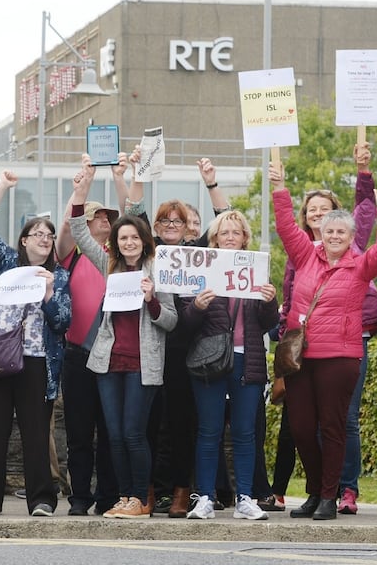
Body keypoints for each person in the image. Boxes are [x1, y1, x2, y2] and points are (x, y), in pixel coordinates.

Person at [269, 159, 377, 520]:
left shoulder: (360, 265)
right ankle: (314, 490)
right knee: (300, 428)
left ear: (349, 236)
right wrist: (279, 187)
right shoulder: (304, 255)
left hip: (340, 358)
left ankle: (329, 495)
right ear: (321, 234)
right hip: (300, 358)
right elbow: (284, 225)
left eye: (342, 232)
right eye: (330, 232)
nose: (336, 237)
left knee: (332, 426)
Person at [69, 156, 178, 519]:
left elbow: (172, 321)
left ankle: (138, 499)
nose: (128, 242)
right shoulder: (110, 265)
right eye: (122, 238)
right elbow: (79, 231)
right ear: (116, 242)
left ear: (143, 240)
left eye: (133, 237)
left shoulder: (157, 270)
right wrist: (84, 184)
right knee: (114, 436)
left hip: (142, 366)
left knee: (133, 433)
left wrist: (152, 302)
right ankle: (123, 497)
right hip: (108, 363)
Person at [0, 170, 70, 518]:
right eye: (36, 233)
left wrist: (51, 294)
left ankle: (41, 499)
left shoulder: (60, 276)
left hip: (36, 360)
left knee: (36, 432)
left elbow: (63, 321)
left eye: (49, 235)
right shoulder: (7, 262)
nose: (44, 237)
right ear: (23, 240)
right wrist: (3, 186)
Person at [124, 155, 228, 515]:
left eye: (177, 221)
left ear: (187, 228)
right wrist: (138, 174)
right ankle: (149, 489)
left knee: (184, 422)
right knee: (149, 423)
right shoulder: (150, 252)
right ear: (155, 227)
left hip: (189, 350)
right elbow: (132, 213)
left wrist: (211, 183)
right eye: (164, 220)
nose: (171, 225)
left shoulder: (197, 251)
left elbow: (224, 223)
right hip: (151, 347)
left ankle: (183, 490)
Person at [180, 210, 278, 520]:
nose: (231, 237)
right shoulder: (202, 271)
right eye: (225, 233)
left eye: (236, 232)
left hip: (246, 360)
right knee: (208, 431)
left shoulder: (256, 272)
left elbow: (268, 325)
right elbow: (185, 324)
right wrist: (196, 306)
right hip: (210, 361)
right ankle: (206, 497)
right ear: (214, 239)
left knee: (244, 432)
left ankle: (245, 497)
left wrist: (269, 301)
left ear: (244, 238)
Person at [54, 187, 121, 516]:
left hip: (112, 355)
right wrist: (80, 189)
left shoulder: (120, 259)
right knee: (79, 431)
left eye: (109, 216)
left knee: (110, 430)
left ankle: (108, 495)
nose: (106, 219)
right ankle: (80, 496)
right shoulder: (72, 256)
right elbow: (67, 226)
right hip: (78, 354)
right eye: (98, 215)